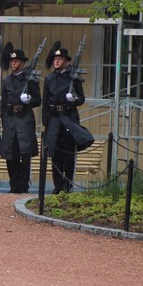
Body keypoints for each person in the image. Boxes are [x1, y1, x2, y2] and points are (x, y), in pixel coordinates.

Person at [42, 43, 92, 194]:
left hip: (68, 118)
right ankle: (57, 186)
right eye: (55, 59)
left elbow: (81, 99)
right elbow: (46, 102)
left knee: (69, 155)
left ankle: (68, 185)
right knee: (55, 154)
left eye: (60, 59)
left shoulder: (73, 77)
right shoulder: (49, 78)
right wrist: (46, 122)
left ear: (66, 61)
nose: (56, 61)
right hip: (54, 119)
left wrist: (73, 99)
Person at [0, 47, 41, 193]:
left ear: (22, 63)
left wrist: (29, 100)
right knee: (11, 155)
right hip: (10, 119)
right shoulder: (6, 80)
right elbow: (4, 103)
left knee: (25, 154)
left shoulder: (30, 80)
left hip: (24, 119)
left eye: (16, 61)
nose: (13, 64)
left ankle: (24, 185)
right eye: (12, 61)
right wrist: (4, 120)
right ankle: (14, 185)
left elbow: (38, 100)